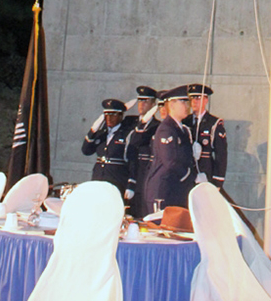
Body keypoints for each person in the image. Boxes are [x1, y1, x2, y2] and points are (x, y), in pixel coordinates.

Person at [144, 85, 196, 217]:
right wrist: (191, 174)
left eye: (187, 101)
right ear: (171, 105)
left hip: (176, 188)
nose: (187, 105)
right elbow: (170, 162)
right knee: (160, 231)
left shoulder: (183, 130)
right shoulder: (166, 129)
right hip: (163, 189)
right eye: (183, 102)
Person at [81, 98, 136, 200]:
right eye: (107, 115)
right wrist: (93, 130)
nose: (109, 118)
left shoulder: (127, 134)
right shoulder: (101, 133)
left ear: (121, 115)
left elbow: (133, 161)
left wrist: (131, 184)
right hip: (98, 179)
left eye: (113, 115)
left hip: (116, 180)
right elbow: (86, 150)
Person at [122, 85, 158, 217]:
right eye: (140, 100)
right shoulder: (129, 121)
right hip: (122, 174)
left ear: (153, 104)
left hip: (140, 176)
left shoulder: (156, 127)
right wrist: (122, 109)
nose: (141, 104)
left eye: (146, 101)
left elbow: (137, 141)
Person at [185, 83, 228, 190]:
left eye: (198, 98)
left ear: (206, 100)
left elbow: (221, 155)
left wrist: (217, 181)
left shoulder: (213, 123)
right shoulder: (185, 122)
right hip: (187, 175)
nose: (194, 101)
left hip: (206, 174)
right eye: (192, 98)